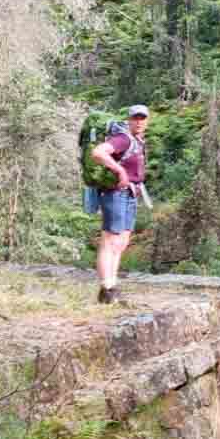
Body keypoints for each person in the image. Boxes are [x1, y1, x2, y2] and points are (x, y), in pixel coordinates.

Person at [87, 104, 149, 304]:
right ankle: (106, 289)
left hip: (129, 194)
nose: (138, 121)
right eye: (135, 118)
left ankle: (112, 286)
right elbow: (98, 153)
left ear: (147, 120)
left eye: (142, 118)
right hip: (115, 194)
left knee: (121, 241)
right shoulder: (123, 138)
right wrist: (119, 171)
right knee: (110, 240)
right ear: (128, 119)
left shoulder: (138, 141)